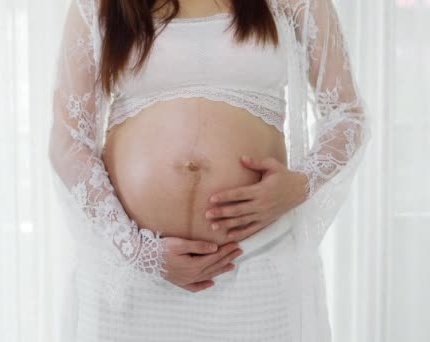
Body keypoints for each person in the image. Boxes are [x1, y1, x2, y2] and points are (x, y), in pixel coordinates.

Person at [47, 0, 372, 341]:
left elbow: (347, 114)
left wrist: (299, 186)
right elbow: (68, 140)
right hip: (134, 277)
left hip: (257, 266)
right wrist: (137, 251)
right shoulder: (100, 4)